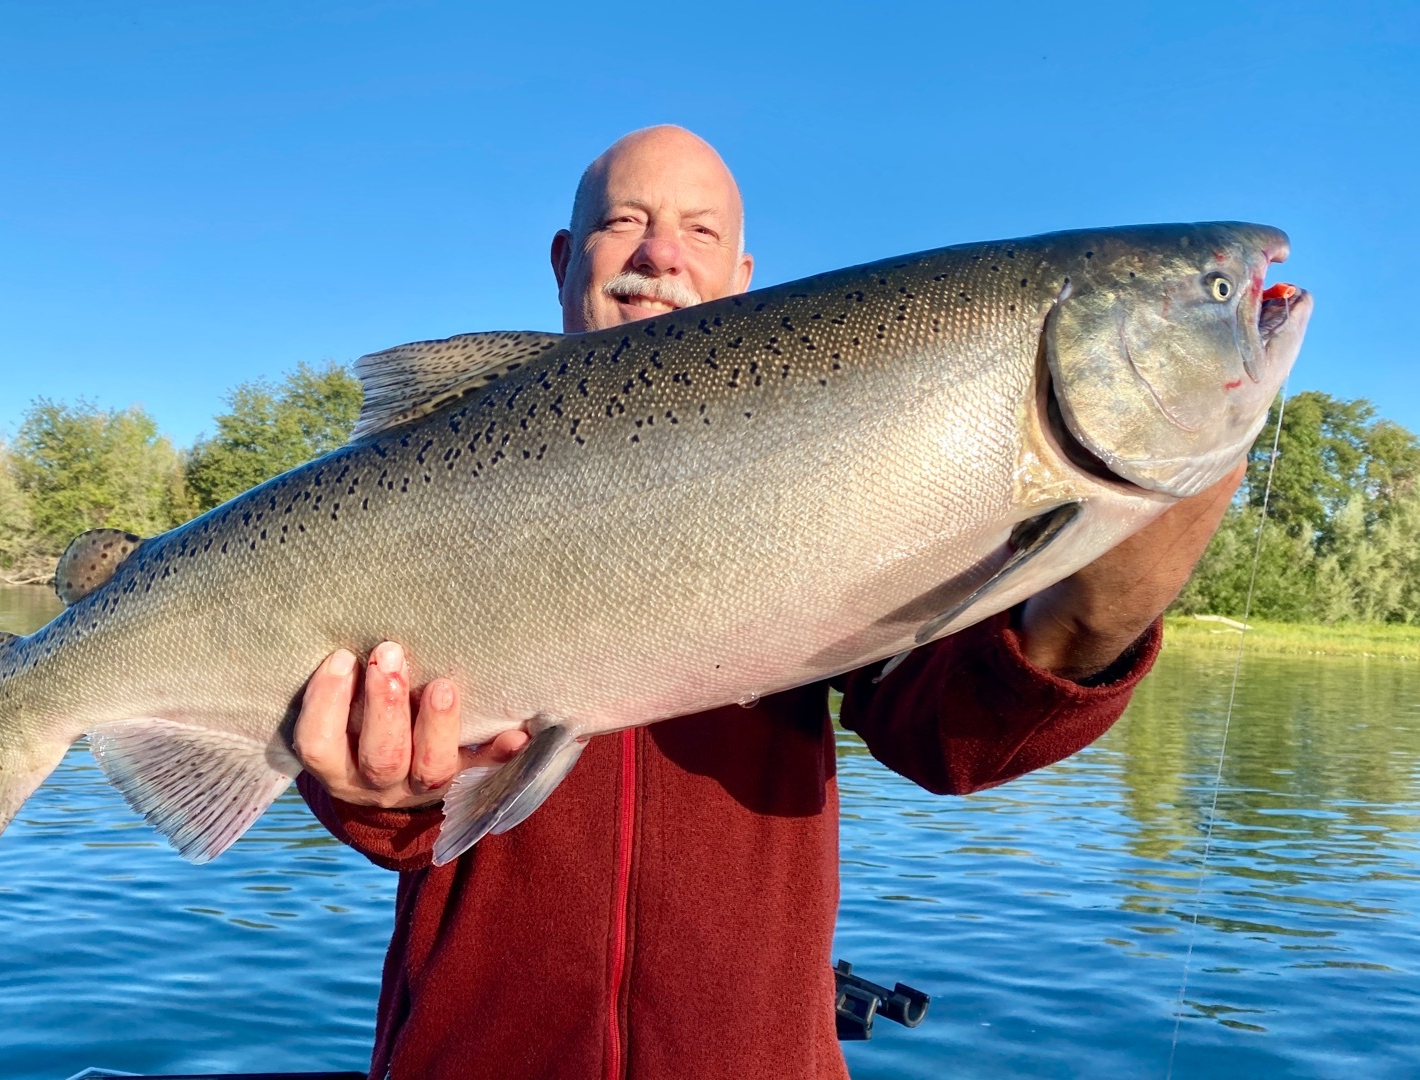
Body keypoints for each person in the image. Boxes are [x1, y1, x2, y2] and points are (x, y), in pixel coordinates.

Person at [291, 126, 1242, 1079]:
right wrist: (375, 797)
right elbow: (394, 806)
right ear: (562, 259)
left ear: (741, 273)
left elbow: (954, 740)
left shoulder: (858, 465)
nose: (660, 253)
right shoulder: (437, 487)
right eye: (624, 221)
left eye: (698, 231)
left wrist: (1121, 575)